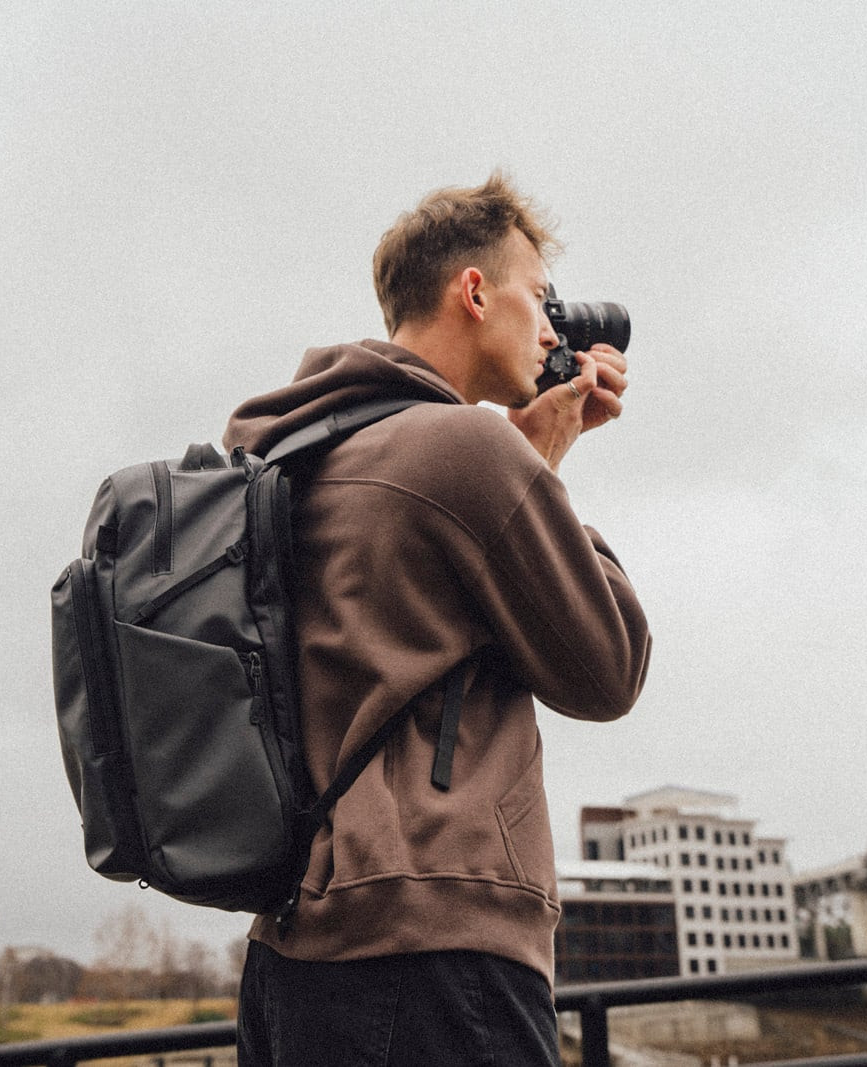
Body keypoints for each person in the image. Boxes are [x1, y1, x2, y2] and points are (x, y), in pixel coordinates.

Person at [224, 172, 652, 1066]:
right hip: (435, 953)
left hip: (289, 955)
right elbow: (611, 665)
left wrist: (519, 466)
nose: (552, 329)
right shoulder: (465, 448)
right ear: (474, 291)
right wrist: (541, 469)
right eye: (540, 297)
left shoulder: (297, 450)